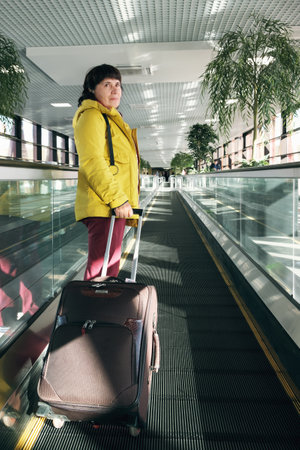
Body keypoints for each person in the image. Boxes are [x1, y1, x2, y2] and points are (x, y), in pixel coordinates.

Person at [72, 64, 140, 280]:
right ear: (92, 89)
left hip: (112, 207)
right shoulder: (92, 116)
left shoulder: (111, 118)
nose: (115, 90)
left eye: (118, 85)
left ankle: (100, 311)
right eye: (107, 84)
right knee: (100, 272)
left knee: (108, 270)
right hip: (106, 205)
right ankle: (90, 312)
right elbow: (92, 162)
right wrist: (118, 200)